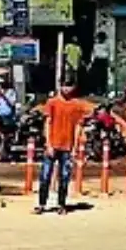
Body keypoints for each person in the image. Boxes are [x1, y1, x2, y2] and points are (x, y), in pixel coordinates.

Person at [35, 79, 90, 215]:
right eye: (65, 85)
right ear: (60, 86)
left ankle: (61, 204)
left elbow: (78, 126)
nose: (67, 89)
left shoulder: (77, 105)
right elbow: (48, 123)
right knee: (45, 176)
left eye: (69, 86)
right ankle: (42, 204)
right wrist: (48, 144)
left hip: (67, 147)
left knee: (64, 177)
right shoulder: (52, 103)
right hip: (53, 144)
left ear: (73, 87)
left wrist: (75, 147)